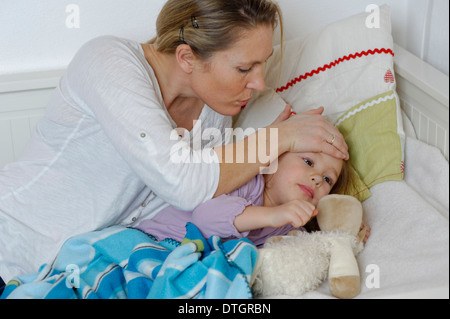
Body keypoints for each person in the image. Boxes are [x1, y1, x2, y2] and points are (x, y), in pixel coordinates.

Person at [0, 0, 348, 283]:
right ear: (187, 58)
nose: (259, 83)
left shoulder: (215, 110)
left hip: (84, 268)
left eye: (263, 65)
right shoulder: (107, 62)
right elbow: (184, 183)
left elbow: (212, 198)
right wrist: (277, 139)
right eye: (245, 69)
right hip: (13, 247)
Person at [137, 148, 350, 247]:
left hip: (194, 262)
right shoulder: (247, 181)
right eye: (308, 162)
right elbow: (204, 218)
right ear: (276, 156)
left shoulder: (294, 229)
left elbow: (308, 254)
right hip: (157, 242)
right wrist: (273, 215)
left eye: (328, 179)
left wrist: (346, 236)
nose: (317, 179)